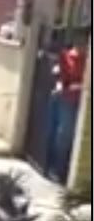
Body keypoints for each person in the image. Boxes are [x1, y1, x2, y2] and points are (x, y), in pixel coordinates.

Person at [46, 27, 88, 183]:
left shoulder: (87, 59)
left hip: (83, 102)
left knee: (75, 137)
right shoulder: (67, 57)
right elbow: (63, 79)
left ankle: (65, 170)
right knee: (65, 135)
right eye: (81, 40)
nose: (83, 43)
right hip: (68, 99)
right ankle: (58, 170)